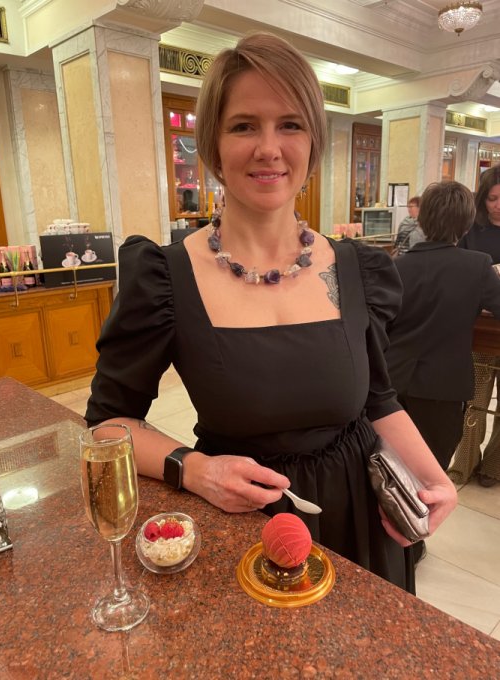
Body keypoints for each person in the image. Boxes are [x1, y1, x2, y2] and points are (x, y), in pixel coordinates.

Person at [85, 32, 456, 594]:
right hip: (239, 525)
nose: (268, 147)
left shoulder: (359, 270)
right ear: (212, 145)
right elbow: (108, 424)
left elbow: (379, 401)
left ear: (313, 141)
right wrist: (194, 468)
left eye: (290, 124)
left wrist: (437, 480)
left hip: (358, 524)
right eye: (243, 126)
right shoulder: (164, 277)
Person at [386, 180, 500, 473]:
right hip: (443, 385)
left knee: (392, 464)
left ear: (422, 220)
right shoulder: (478, 265)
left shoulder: (396, 266)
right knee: (433, 468)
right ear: (467, 223)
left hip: (393, 379)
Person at [448, 165, 500, 488]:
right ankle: (463, 465)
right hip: (479, 330)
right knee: (474, 401)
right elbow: (458, 275)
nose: (498, 205)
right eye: (492, 199)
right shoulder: (471, 231)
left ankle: (494, 466)